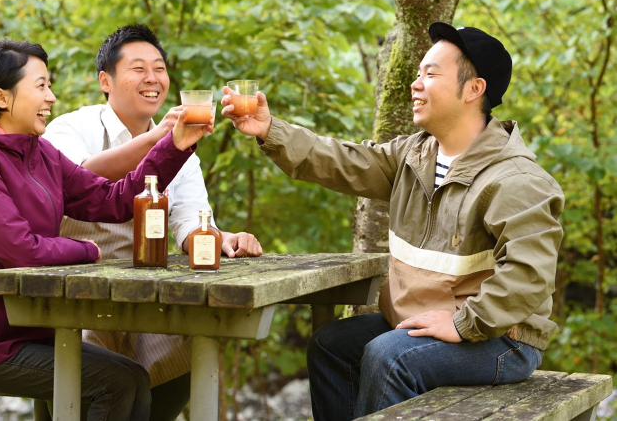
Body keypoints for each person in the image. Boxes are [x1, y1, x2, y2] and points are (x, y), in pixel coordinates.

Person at [221, 23, 564, 420]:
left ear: (474, 90)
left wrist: (465, 323)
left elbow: (529, 275)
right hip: (422, 320)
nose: (416, 84)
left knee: (389, 356)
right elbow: (343, 161)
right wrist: (269, 130)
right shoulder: (413, 156)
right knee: (330, 345)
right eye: (417, 73)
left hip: (501, 336)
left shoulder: (515, 179)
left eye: (431, 74)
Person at [0, 38, 211, 421]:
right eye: (41, 86)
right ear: (1, 97)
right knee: (112, 383)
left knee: (134, 376)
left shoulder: (40, 153)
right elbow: (23, 250)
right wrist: (88, 250)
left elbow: (115, 199)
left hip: (35, 331)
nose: (51, 97)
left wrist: (176, 146)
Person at [43, 23, 263, 420]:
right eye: (138, 68)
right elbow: (78, 180)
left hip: (148, 299)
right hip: (75, 298)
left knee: (192, 346)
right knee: (95, 376)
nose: (152, 79)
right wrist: (159, 142)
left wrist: (221, 238)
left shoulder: (183, 151)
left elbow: (188, 225)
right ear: (105, 80)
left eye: (159, 69)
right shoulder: (72, 128)